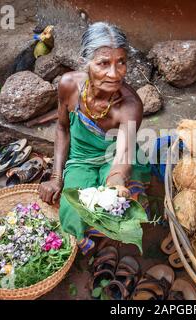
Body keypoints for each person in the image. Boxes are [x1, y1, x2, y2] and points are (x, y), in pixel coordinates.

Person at [39, 22, 151, 255]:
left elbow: (123, 155)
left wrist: (116, 182)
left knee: (116, 207)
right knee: (71, 210)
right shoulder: (69, 85)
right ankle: (90, 242)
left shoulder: (130, 106)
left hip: (114, 157)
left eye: (121, 62)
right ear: (85, 62)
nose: (114, 73)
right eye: (103, 63)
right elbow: (62, 129)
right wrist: (56, 177)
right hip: (81, 157)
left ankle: (110, 244)